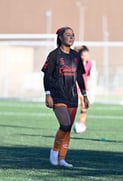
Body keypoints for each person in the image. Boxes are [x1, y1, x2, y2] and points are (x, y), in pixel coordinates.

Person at [41, 26, 90, 168]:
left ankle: (62, 159)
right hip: (57, 96)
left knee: (68, 129)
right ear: (60, 37)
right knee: (65, 124)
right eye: (68, 35)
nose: (71, 37)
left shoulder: (76, 56)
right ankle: (54, 152)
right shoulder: (54, 55)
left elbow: (80, 77)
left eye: (73, 35)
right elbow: (47, 76)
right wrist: (47, 94)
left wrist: (85, 95)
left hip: (73, 97)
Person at [74, 45, 93, 134]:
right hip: (76, 86)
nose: (85, 57)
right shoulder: (76, 63)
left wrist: (87, 84)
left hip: (83, 87)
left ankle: (81, 124)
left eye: (86, 55)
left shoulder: (90, 63)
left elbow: (87, 75)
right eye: (83, 55)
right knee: (81, 104)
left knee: (84, 106)